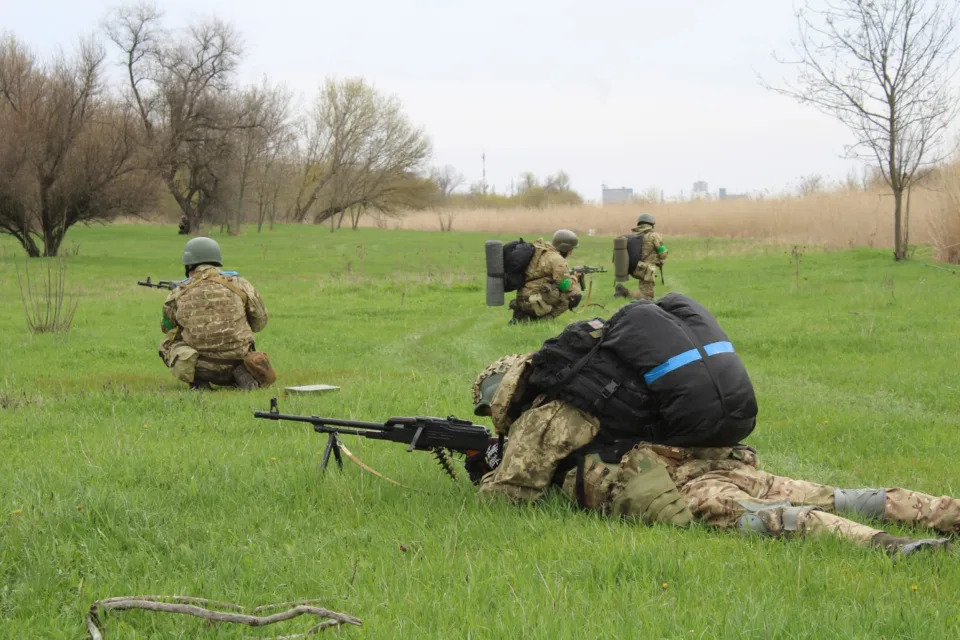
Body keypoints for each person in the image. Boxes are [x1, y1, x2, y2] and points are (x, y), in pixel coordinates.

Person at [469, 353, 955, 557]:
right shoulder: (607, 381)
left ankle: (894, 549)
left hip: (685, 485)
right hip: (719, 457)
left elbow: (513, 495)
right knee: (838, 496)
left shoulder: (545, 414)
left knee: (784, 520)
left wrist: (484, 472)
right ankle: (942, 512)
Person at [158, 237, 270, 390]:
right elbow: (259, 323)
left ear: (189, 264)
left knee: (166, 345)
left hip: (200, 364)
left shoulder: (179, 292)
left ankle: (198, 381)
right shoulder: (240, 284)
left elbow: (167, 327)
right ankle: (242, 374)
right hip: (239, 361)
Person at [508, 229, 583, 324]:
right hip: (534, 300)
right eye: (571, 249)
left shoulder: (539, 250)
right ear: (565, 248)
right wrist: (575, 278)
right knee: (573, 294)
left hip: (522, 298)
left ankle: (523, 317)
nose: (571, 252)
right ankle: (543, 320)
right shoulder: (557, 259)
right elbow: (565, 286)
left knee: (552, 287)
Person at [615, 213, 667, 301]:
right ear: (651, 223)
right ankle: (624, 292)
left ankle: (624, 292)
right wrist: (660, 259)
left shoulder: (634, 234)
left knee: (647, 295)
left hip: (633, 268)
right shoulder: (654, 235)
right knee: (648, 297)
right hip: (646, 269)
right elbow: (663, 253)